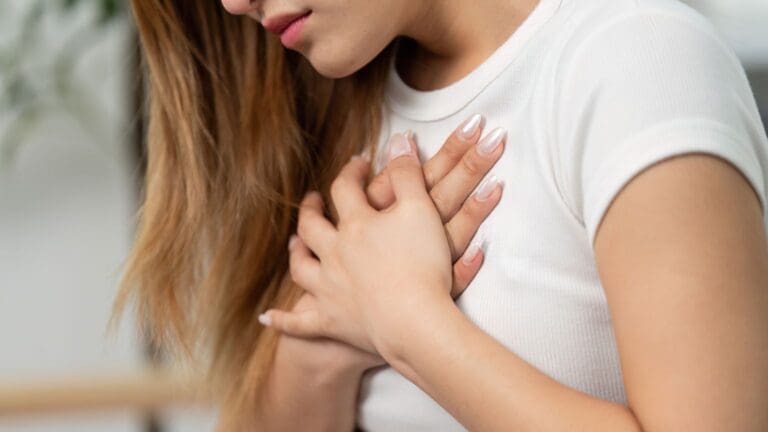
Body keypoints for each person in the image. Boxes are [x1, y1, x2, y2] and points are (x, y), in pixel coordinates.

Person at [116, 0, 768, 430]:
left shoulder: (631, 63)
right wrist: (318, 349)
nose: (232, 4)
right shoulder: (330, 96)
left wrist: (406, 322)